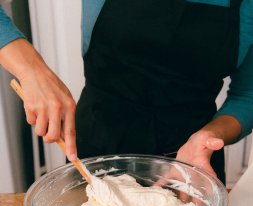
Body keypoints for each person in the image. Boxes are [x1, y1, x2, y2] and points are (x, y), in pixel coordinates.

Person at [0, 1, 253, 184]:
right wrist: (32, 70)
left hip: (192, 167)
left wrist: (210, 135)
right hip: (96, 150)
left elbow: (247, 95)